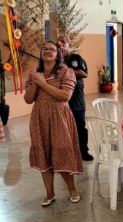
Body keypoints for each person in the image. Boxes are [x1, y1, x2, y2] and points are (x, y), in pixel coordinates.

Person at [24, 41, 82, 206]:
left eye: (51, 49)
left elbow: (65, 96)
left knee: (62, 151)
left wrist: (43, 84)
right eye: (44, 49)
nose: (47, 52)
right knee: (43, 154)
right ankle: (50, 193)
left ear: (58, 54)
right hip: (39, 118)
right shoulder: (35, 73)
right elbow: (28, 99)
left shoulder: (66, 72)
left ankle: (72, 189)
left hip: (59, 117)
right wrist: (36, 83)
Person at [57, 36, 93, 161]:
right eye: (58, 43)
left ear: (68, 44)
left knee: (80, 127)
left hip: (77, 100)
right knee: (64, 128)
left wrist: (68, 70)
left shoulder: (76, 58)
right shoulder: (55, 61)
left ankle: (84, 151)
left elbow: (84, 74)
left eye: (63, 42)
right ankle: (66, 152)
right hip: (62, 101)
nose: (60, 45)